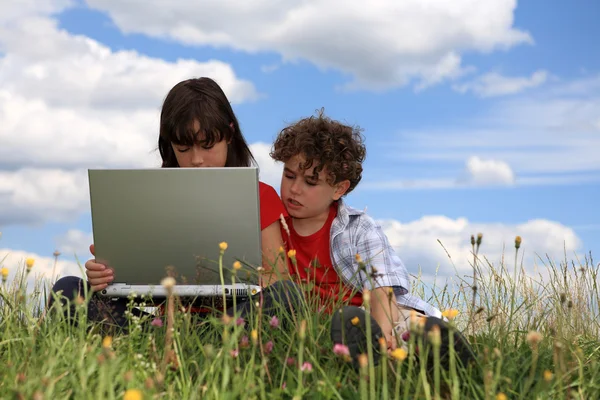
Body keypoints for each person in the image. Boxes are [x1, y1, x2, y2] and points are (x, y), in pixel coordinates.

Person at [50, 77, 300, 331]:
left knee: (288, 295)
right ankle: (174, 345)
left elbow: (277, 278)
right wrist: (102, 278)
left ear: (230, 134)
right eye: (184, 148)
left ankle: (203, 344)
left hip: (231, 320)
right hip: (163, 324)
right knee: (68, 290)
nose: (197, 159)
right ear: (169, 146)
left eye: (207, 145)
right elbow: (126, 280)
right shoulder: (148, 200)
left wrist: (243, 280)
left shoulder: (260, 196)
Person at [269, 109, 477, 371]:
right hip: (320, 323)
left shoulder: (357, 228)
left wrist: (383, 332)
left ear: (339, 188)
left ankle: (435, 348)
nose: (295, 189)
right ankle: (382, 365)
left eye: (311, 182)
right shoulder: (272, 226)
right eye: (289, 176)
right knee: (345, 327)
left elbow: (382, 286)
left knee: (402, 323)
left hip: (374, 315)